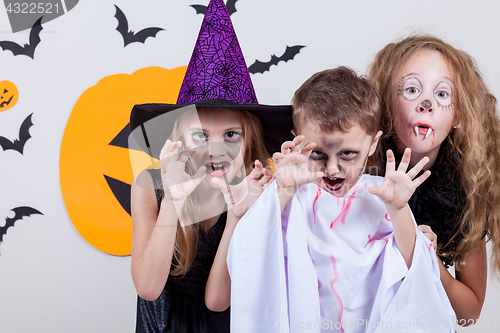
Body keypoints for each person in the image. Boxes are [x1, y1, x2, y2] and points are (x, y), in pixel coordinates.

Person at [228, 67, 456, 333]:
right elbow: (249, 254)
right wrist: (284, 189)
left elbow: (410, 267)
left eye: (348, 153)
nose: (332, 169)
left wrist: (398, 208)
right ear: (297, 139)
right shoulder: (290, 194)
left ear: (372, 144)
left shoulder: (381, 194)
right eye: (317, 153)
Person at [128, 0, 294, 332]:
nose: (216, 149)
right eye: (201, 135)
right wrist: (173, 201)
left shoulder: (259, 191)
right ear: (178, 137)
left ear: (249, 140)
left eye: (231, 134)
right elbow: (148, 287)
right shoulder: (150, 186)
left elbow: (218, 301)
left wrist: (236, 216)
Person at [367, 34, 500, 326]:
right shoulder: (357, 168)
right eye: (412, 90)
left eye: (442, 94)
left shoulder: (466, 188)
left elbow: (470, 310)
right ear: (387, 103)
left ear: (457, 115)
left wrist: (427, 259)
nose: (427, 102)